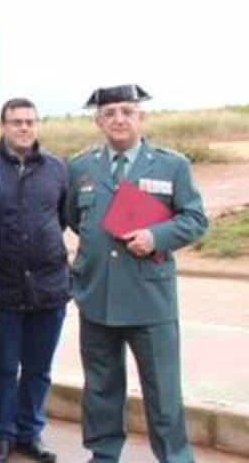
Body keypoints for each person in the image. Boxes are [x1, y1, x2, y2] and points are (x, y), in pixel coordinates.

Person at [66, 85, 207, 462]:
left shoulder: (171, 165)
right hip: (97, 296)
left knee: (162, 392)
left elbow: (195, 219)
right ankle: (104, 454)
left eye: (128, 111)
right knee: (100, 387)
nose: (119, 118)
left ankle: (175, 457)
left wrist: (156, 236)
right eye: (110, 112)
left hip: (150, 300)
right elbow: (75, 219)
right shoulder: (81, 167)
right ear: (98, 121)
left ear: (141, 117)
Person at [0, 99, 68, 463]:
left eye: (30, 121)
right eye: (16, 122)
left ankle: (31, 434)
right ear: (2, 126)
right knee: (1, 366)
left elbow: (61, 219)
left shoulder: (58, 169)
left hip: (49, 289)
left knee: (38, 369)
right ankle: (1, 436)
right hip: (4, 292)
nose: (24, 128)